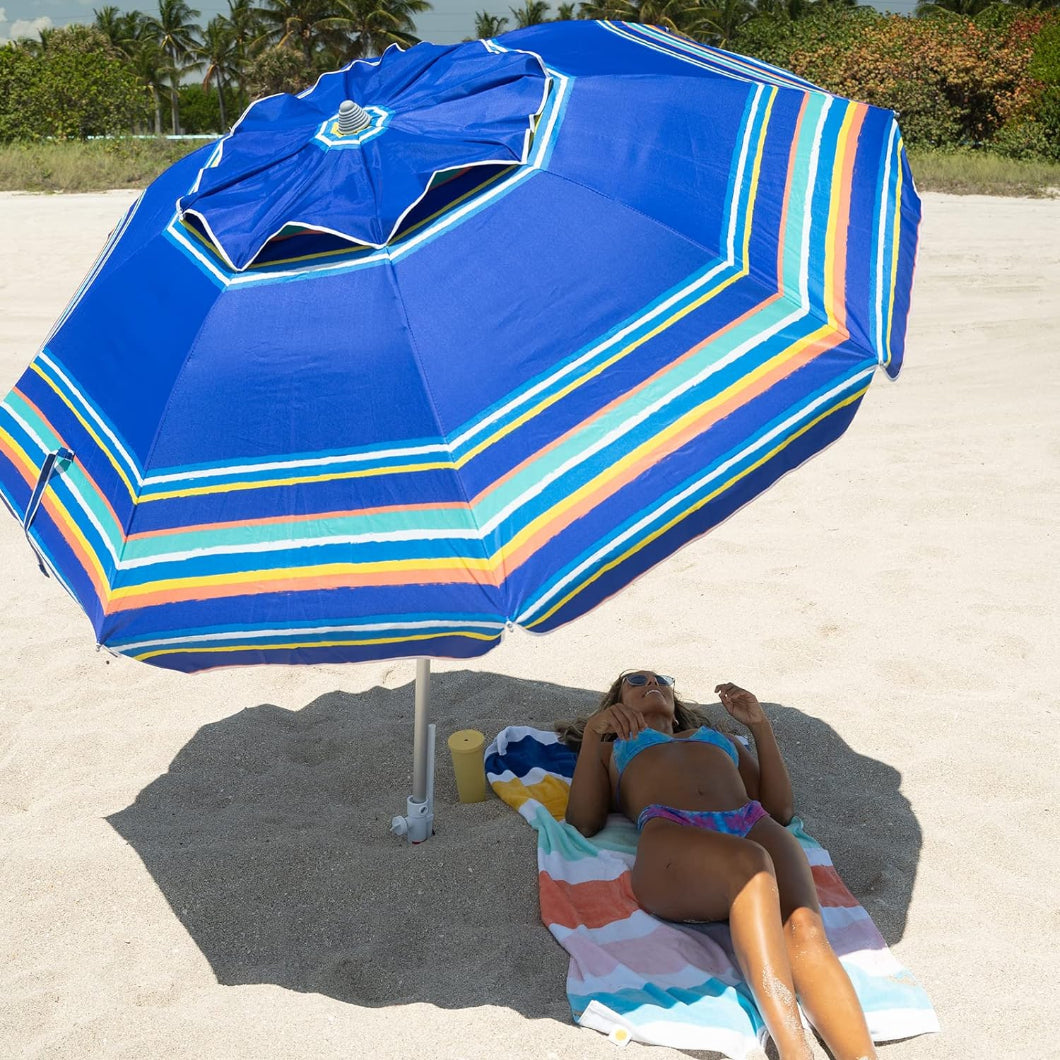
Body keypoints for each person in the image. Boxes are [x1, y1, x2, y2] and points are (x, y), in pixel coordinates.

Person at [558, 670, 877, 1060]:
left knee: (806, 927)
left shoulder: (718, 740)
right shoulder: (613, 746)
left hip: (750, 820)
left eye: (662, 679)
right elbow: (584, 821)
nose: (652, 684)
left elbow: (779, 809)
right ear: (616, 704)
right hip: (672, 834)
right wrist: (593, 735)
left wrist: (760, 728)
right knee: (752, 867)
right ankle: (797, 1054)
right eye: (636, 680)